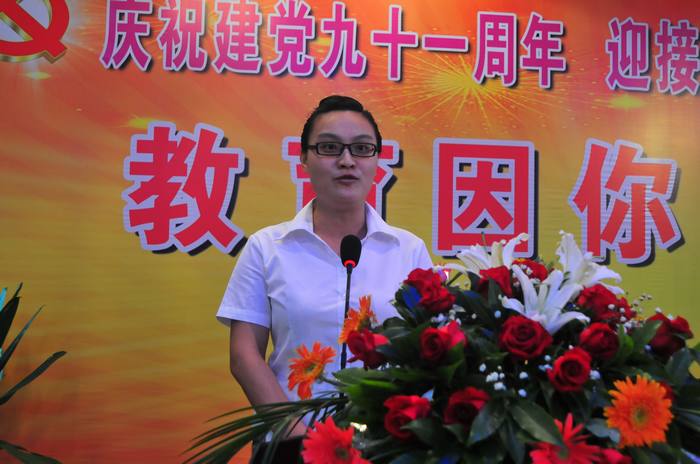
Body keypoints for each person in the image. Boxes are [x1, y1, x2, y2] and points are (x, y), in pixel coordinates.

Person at [216, 95, 433, 440]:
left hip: (386, 443)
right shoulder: (267, 247)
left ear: (377, 159)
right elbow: (245, 354)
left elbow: (429, 351)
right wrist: (296, 436)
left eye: (362, 148)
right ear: (304, 157)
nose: (347, 161)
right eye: (330, 147)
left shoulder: (408, 250)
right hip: (290, 439)